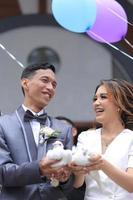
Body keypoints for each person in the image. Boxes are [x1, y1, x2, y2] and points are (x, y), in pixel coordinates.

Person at [0, 63, 74, 200]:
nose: (50, 87)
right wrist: (39, 168)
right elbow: (2, 173)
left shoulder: (63, 129)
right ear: (25, 83)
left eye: (54, 84)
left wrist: (64, 178)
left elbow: (70, 185)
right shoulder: (3, 124)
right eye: (45, 80)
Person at [70, 79, 133, 200]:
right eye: (95, 99)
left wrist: (102, 164)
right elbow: (78, 184)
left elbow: (131, 185)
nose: (96, 103)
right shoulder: (86, 137)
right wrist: (77, 170)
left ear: (119, 105)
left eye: (103, 97)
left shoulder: (131, 138)